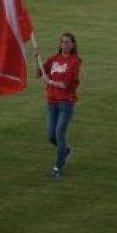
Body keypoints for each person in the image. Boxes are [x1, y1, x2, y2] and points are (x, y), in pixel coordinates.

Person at [38, 32, 81, 178]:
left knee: (59, 134)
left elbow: (66, 84)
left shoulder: (74, 62)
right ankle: (65, 151)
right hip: (51, 102)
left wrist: (49, 81)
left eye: (67, 42)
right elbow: (38, 72)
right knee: (51, 136)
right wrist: (36, 58)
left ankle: (57, 167)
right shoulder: (54, 59)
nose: (64, 44)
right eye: (62, 42)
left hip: (66, 103)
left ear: (73, 45)